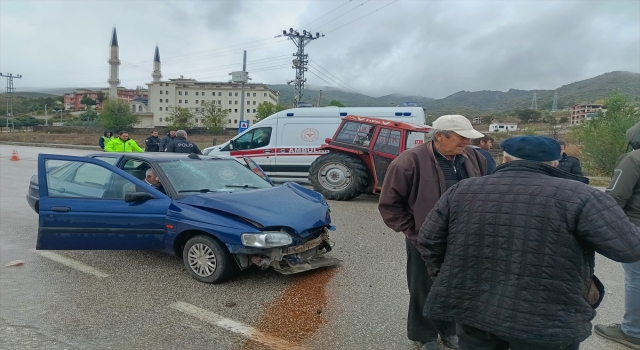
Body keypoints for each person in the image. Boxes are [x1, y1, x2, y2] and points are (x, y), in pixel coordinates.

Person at [417, 135, 640, 350]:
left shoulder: (462, 190)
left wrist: (451, 278)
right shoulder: (581, 196)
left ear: (505, 159)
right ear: (555, 163)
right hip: (548, 319)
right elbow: (630, 249)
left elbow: (428, 240)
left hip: (474, 309)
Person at [378, 114, 486, 350]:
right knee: (424, 287)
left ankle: (450, 330)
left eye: (469, 138)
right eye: (461, 137)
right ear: (439, 135)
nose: (467, 142)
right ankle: (424, 335)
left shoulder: (474, 157)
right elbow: (389, 206)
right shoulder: (408, 162)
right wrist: (414, 232)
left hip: (464, 238)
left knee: (456, 286)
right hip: (425, 239)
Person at [594, 121, 640, 349]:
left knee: (637, 279)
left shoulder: (633, 159)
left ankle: (632, 331)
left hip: (636, 226)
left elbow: (615, 197)